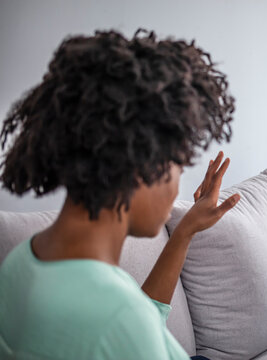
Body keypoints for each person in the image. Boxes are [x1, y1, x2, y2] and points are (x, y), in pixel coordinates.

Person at [0, 29, 239, 360]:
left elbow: (133, 326)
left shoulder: (21, 262)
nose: (177, 188)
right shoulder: (118, 319)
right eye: (178, 166)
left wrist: (185, 231)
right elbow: (127, 326)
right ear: (140, 165)